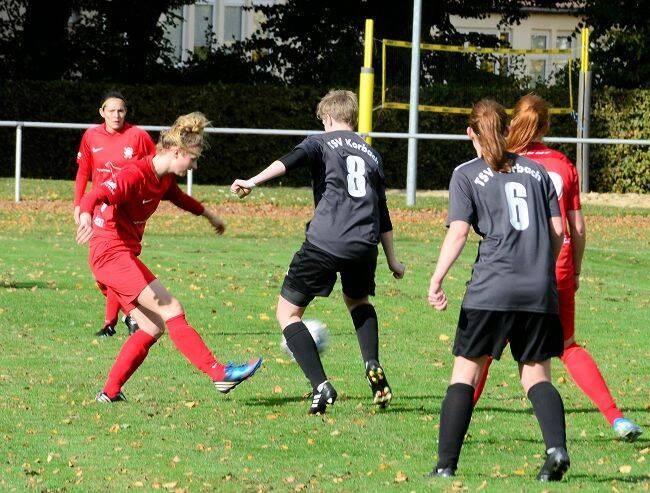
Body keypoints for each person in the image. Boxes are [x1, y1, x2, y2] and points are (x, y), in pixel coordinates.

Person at [470, 94, 642, 441]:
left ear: (512, 122)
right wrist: (574, 270)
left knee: (482, 352)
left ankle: (457, 422)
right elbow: (575, 228)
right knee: (567, 345)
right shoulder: (563, 165)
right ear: (546, 126)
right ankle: (616, 418)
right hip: (553, 266)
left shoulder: (499, 162)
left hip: (506, 268)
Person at [231, 89, 405, 414]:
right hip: (364, 244)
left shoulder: (321, 142)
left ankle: (321, 385)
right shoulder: (372, 154)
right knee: (358, 301)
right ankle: (372, 362)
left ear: (327, 117)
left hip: (326, 240)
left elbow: (289, 161)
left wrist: (253, 181)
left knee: (287, 313)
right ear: (353, 118)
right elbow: (382, 211)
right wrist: (393, 260)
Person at [427, 99, 569, 481]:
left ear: (470, 133)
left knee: (465, 374)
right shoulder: (538, 172)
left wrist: (436, 279)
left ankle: (445, 465)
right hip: (538, 292)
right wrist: (541, 266)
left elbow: (459, 232)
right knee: (536, 377)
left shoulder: (466, 174)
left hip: (490, 290)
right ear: (508, 130)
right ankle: (556, 449)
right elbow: (558, 231)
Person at [76, 111, 262, 402]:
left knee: (151, 326)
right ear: (176, 152)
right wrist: (86, 215)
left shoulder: (162, 179)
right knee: (172, 308)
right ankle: (219, 373)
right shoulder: (134, 174)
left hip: (121, 255)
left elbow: (180, 199)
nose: (194, 165)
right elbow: (95, 194)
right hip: (109, 253)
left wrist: (210, 216)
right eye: (193, 158)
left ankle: (109, 393)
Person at [74, 91, 156, 337]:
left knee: (117, 268)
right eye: (111, 110)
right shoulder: (91, 136)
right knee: (102, 272)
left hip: (126, 213)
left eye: (121, 110)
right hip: (99, 210)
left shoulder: (138, 136)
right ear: (102, 112)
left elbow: (155, 168)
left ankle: (111, 323)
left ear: (126, 112)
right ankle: (130, 315)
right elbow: (83, 172)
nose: (116, 115)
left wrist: (146, 200)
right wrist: (79, 204)